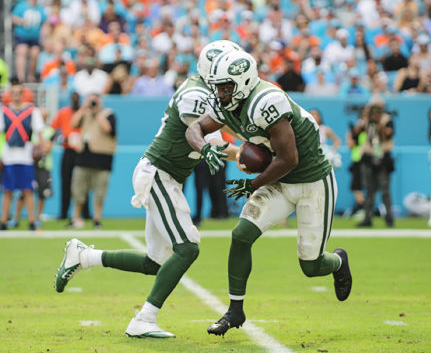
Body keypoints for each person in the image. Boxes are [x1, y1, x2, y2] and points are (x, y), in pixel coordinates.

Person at [54, 40, 240, 338]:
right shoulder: (196, 94)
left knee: (155, 263)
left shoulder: (206, 92)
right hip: (160, 173)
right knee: (187, 247)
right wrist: (243, 153)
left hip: (166, 175)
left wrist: (243, 153)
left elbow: (217, 137)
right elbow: (205, 138)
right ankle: (144, 319)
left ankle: (83, 256)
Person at [185, 50, 352, 336]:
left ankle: (338, 261)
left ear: (244, 81)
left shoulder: (266, 101)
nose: (220, 92)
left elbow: (289, 159)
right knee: (240, 235)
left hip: (312, 181)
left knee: (311, 266)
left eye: (226, 86)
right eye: (218, 86)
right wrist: (205, 147)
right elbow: (196, 127)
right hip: (279, 182)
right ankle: (235, 310)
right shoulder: (228, 102)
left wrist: (253, 184)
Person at [0, 80, 44, 230]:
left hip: (25, 155)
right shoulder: (4, 111)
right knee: (7, 190)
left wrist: (41, 148)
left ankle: (32, 221)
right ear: (10, 94)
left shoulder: (32, 111)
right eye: (13, 92)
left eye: (19, 92)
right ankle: (4, 221)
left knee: (28, 190)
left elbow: (39, 132)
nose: (16, 95)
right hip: (9, 156)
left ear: (23, 94)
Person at [68, 94, 117, 228]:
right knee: (78, 190)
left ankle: (97, 219)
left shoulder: (109, 114)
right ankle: (75, 218)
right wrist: (83, 108)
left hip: (102, 160)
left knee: (99, 192)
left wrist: (97, 112)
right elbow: (73, 123)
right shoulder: (85, 113)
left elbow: (107, 129)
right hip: (83, 158)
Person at [355, 97, 396, 227]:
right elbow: (356, 133)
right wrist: (365, 115)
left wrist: (379, 122)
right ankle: (368, 218)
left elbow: (388, 134)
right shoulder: (366, 120)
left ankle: (389, 218)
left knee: (385, 189)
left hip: (383, 156)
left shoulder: (387, 119)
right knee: (369, 190)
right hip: (369, 156)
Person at [51, 92, 91, 221]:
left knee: (83, 183)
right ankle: (63, 213)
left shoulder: (85, 113)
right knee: (65, 182)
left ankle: (86, 213)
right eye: (73, 98)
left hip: (82, 151)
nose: (74, 100)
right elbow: (53, 130)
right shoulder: (63, 112)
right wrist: (63, 138)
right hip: (68, 150)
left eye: (77, 98)